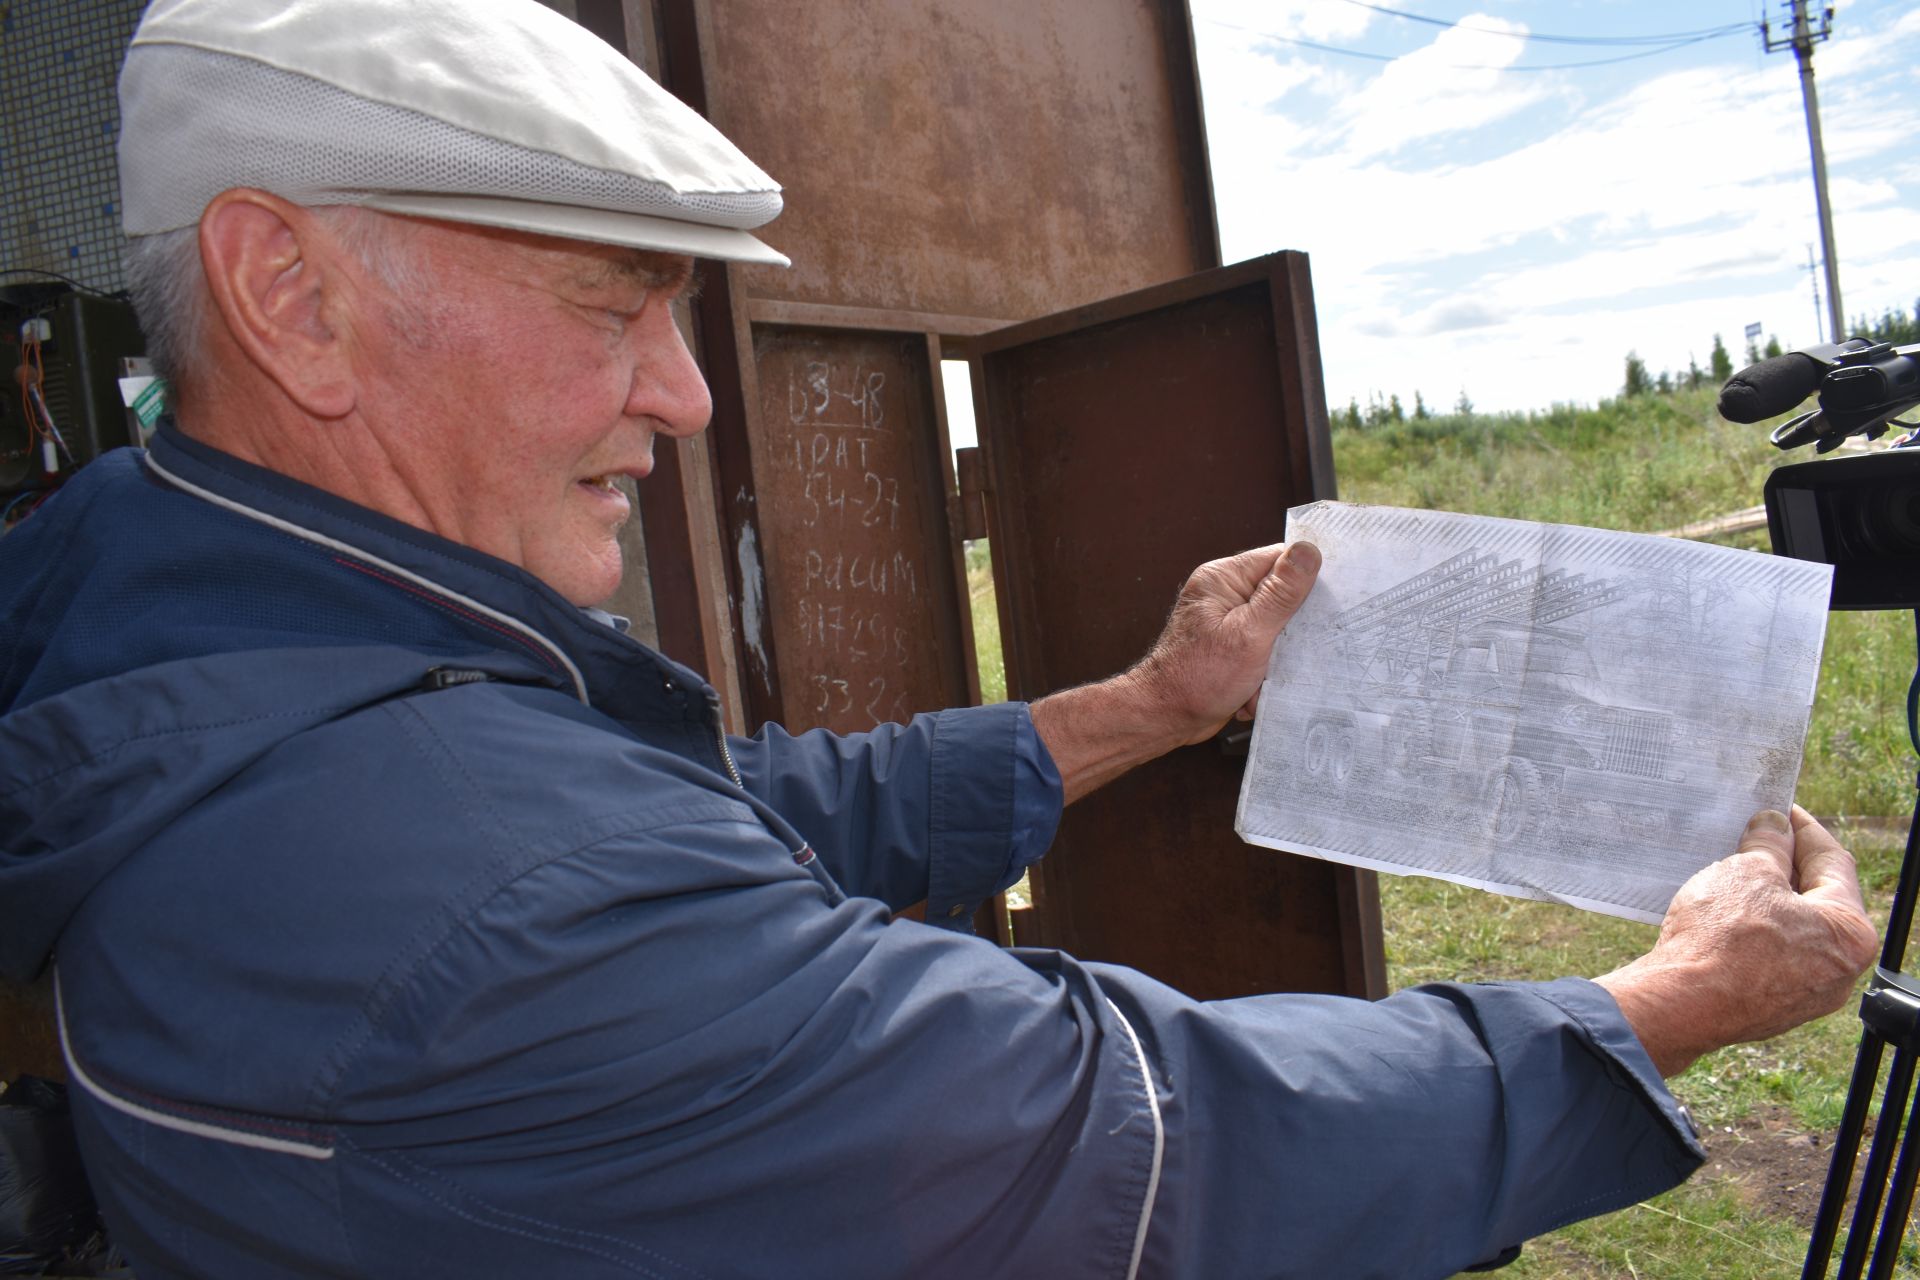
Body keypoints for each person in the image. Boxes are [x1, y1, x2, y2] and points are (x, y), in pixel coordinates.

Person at [0, 1, 1878, 1276]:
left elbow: (739, 810)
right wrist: (1680, 1001)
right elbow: (1155, 1150)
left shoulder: (194, 633)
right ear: (289, 298)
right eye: (612, 303)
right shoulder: (487, 908)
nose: (685, 397)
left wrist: (1153, 703)